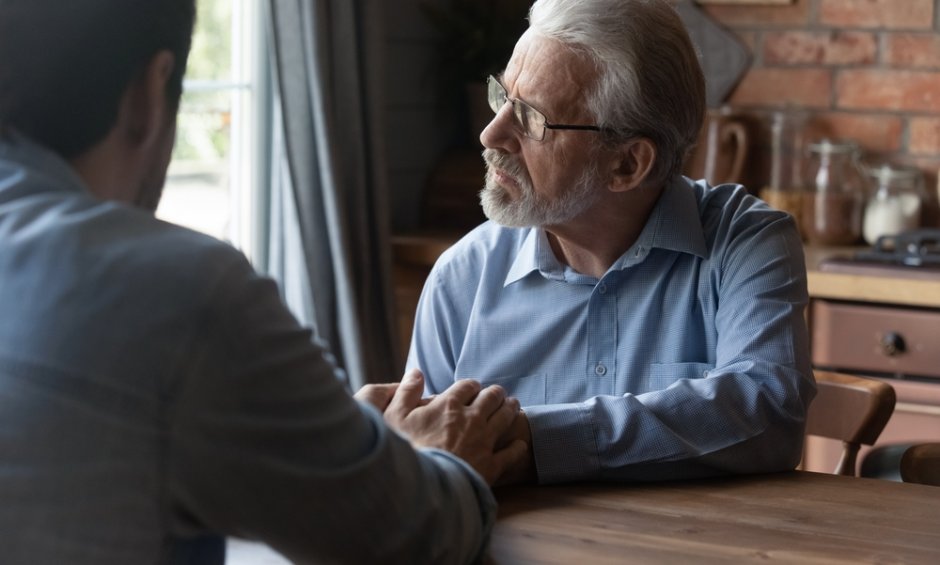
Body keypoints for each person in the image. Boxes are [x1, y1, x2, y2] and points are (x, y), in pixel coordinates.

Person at [0, 1, 525, 563]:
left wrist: (334, 441)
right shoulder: (182, 292)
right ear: (148, 96)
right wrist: (444, 460)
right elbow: (412, 536)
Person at [407, 0, 816, 485]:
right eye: (502, 97)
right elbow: (426, 471)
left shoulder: (744, 242)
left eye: (532, 119)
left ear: (627, 164)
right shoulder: (462, 279)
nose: (491, 134)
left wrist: (535, 439)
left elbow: (768, 412)